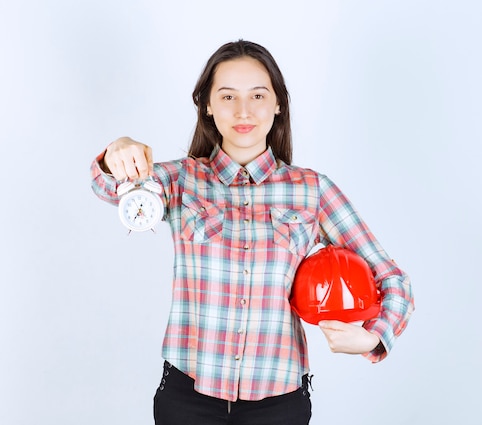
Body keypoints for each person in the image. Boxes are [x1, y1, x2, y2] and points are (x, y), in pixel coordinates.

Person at [90, 39, 414, 425]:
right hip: (188, 396)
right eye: (228, 97)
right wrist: (117, 152)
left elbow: (391, 278)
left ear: (278, 103)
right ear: (207, 106)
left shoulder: (312, 191)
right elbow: (110, 187)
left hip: (278, 403)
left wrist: (374, 337)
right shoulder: (182, 180)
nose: (243, 111)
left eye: (257, 95)